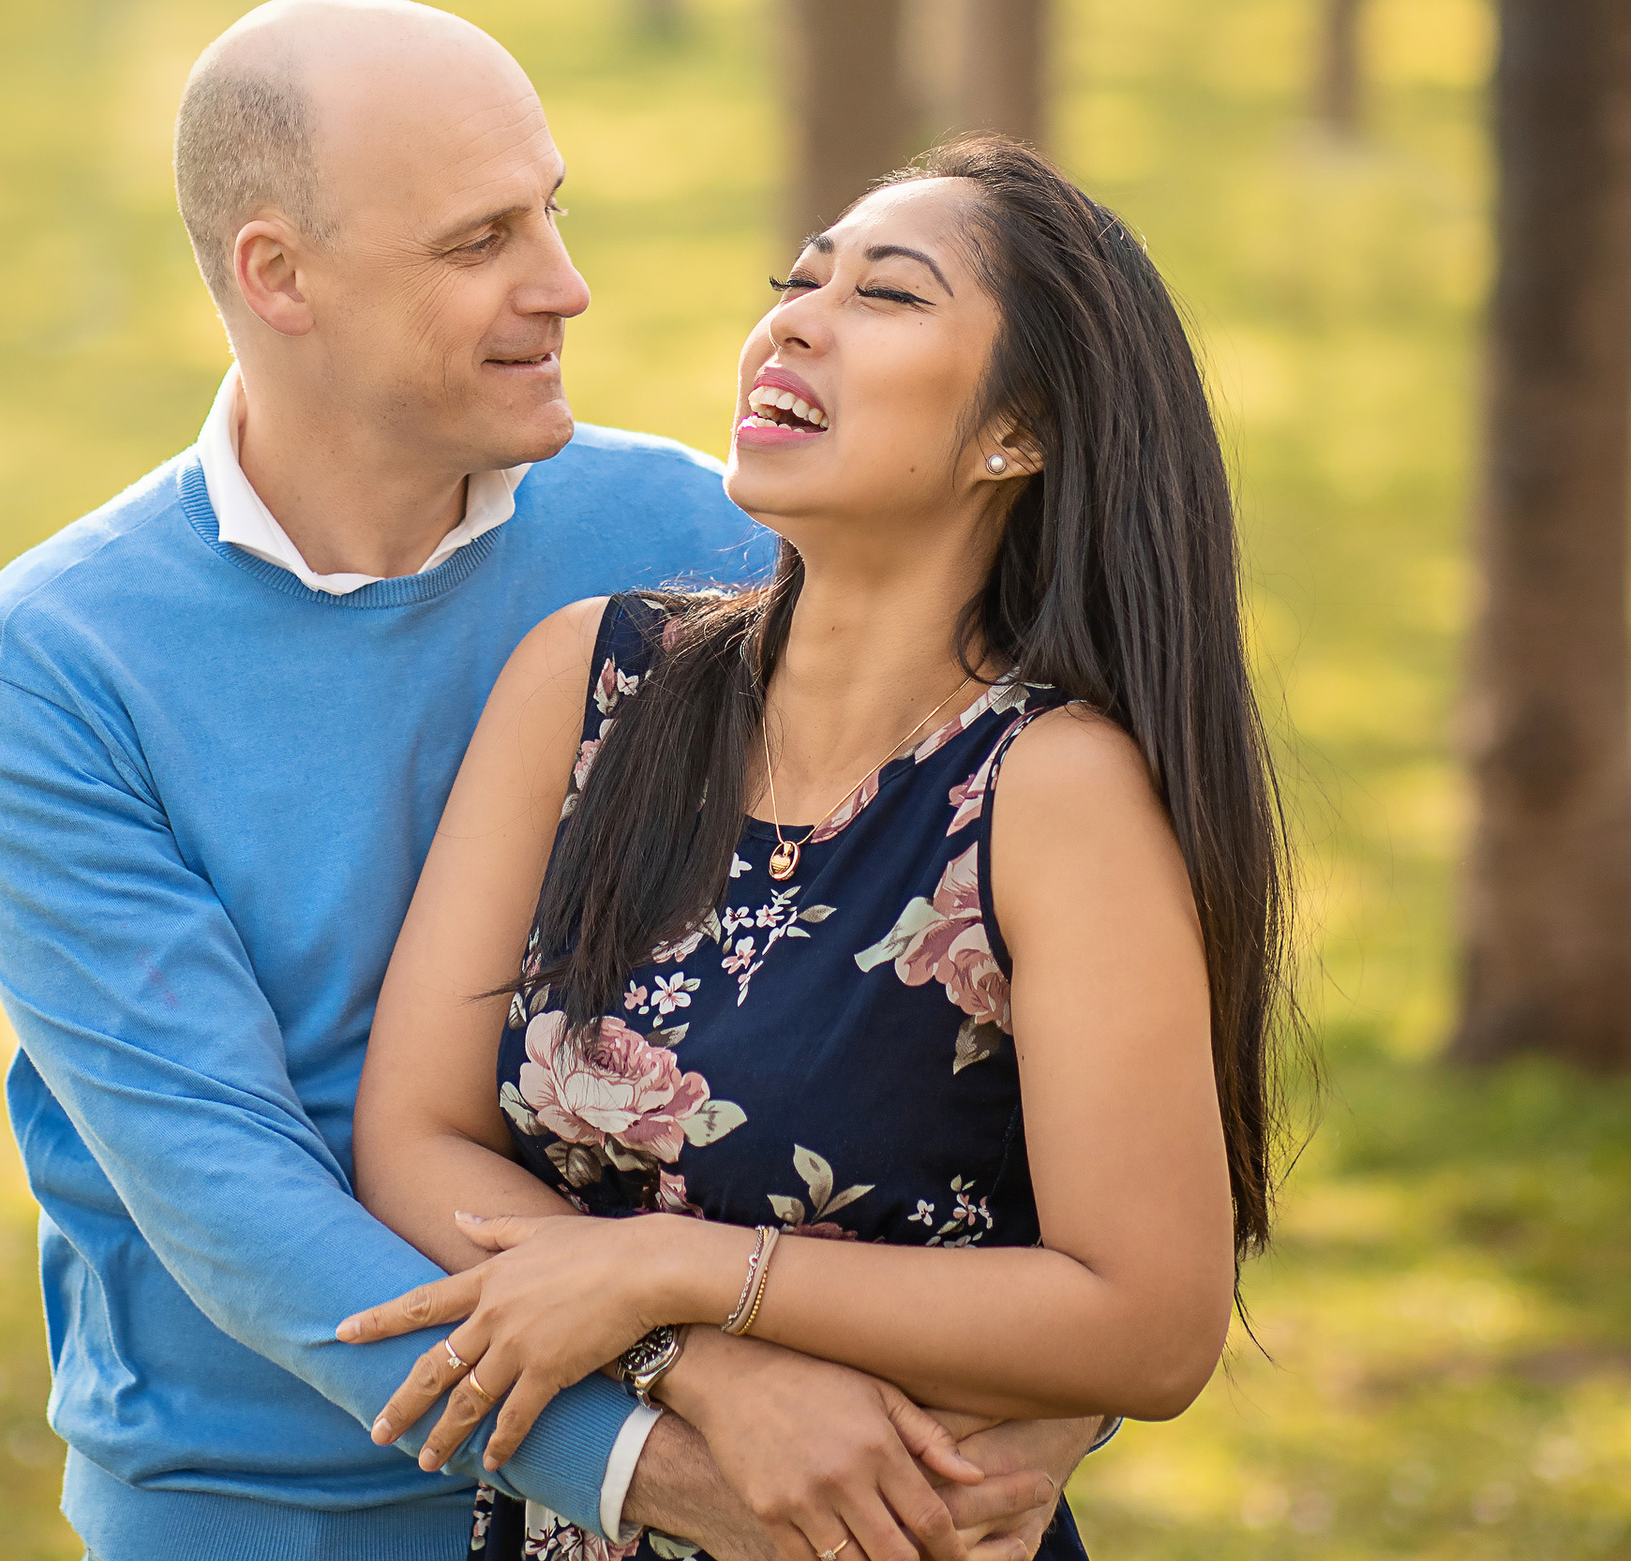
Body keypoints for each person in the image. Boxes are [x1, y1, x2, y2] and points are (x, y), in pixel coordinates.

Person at [0, 0, 1095, 1561]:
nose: (565, 285)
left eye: (553, 210)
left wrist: (1034, 1407)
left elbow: (1014, 962)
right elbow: (229, 1187)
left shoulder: (708, 548)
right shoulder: (51, 667)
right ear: (281, 276)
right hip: (282, 1498)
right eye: (480, 240)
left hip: (745, 1478)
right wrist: (684, 1442)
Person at [341, 136, 1296, 1561]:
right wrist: (703, 1363)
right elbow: (412, 1136)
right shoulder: (590, 684)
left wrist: (672, 1267)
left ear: (1016, 432)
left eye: (888, 297)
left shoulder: (1052, 791)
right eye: (797, 281)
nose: (794, 318)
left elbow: (1148, 1326)